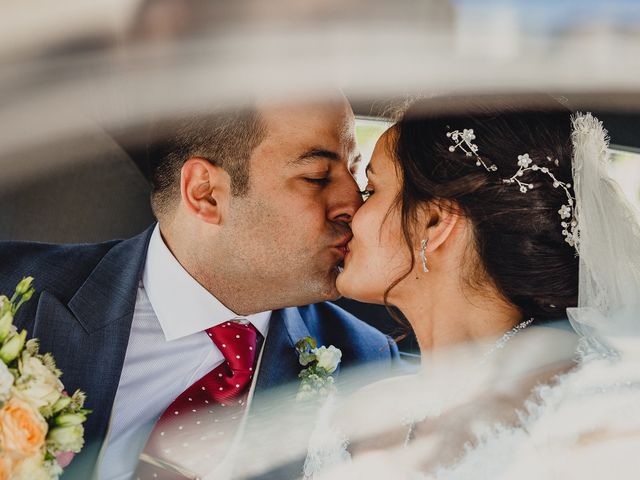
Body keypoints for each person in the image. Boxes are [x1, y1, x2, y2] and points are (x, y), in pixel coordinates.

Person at [0, 98, 400, 479]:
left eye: (355, 171)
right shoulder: (12, 290)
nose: (354, 203)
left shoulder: (368, 363)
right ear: (205, 193)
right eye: (316, 177)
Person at [304, 95, 640, 478]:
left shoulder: (582, 411)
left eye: (371, 190)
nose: (351, 212)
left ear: (434, 223)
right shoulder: (359, 414)